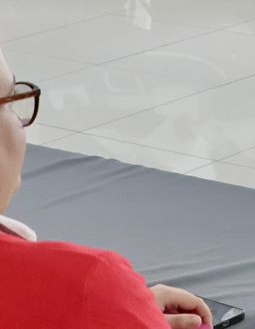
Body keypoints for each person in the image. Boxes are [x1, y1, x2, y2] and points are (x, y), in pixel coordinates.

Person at [0, 48, 214, 329]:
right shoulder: (88, 282)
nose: (20, 121)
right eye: (10, 103)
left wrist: (125, 312)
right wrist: (111, 306)